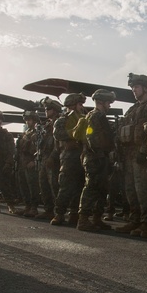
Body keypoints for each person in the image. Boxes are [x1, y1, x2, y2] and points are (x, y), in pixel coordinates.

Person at [115, 74, 147, 235]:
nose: (133, 90)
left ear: (146, 88)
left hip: (141, 155)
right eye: (132, 87)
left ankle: (146, 222)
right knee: (130, 190)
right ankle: (134, 220)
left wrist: (144, 151)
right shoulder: (132, 109)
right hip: (128, 154)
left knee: (143, 190)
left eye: (136, 87)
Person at [75, 89, 117, 232]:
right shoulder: (95, 116)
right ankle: (83, 219)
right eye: (108, 103)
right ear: (101, 102)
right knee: (91, 187)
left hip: (100, 157)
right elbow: (91, 136)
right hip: (95, 158)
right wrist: (99, 153)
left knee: (101, 189)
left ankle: (96, 219)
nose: (109, 105)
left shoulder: (98, 116)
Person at [51, 93, 86, 226]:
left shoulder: (84, 118)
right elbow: (58, 134)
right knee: (65, 187)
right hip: (69, 157)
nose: (82, 107)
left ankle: (74, 214)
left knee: (79, 186)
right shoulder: (62, 120)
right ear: (72, 105)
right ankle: (59, 214)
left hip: (81, 155)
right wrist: (73, 133)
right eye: (79, 104)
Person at [16, 110, 42, 217]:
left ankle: (34, 208)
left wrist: (34, 161)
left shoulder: (37, 133)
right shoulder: (26, 133)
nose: (27, 122)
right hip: (23, 162)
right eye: (26, 120)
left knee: (33, 186)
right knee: (23, 185)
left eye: (29, 120)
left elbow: (40, 148)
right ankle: (27, 206)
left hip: (31, 162)